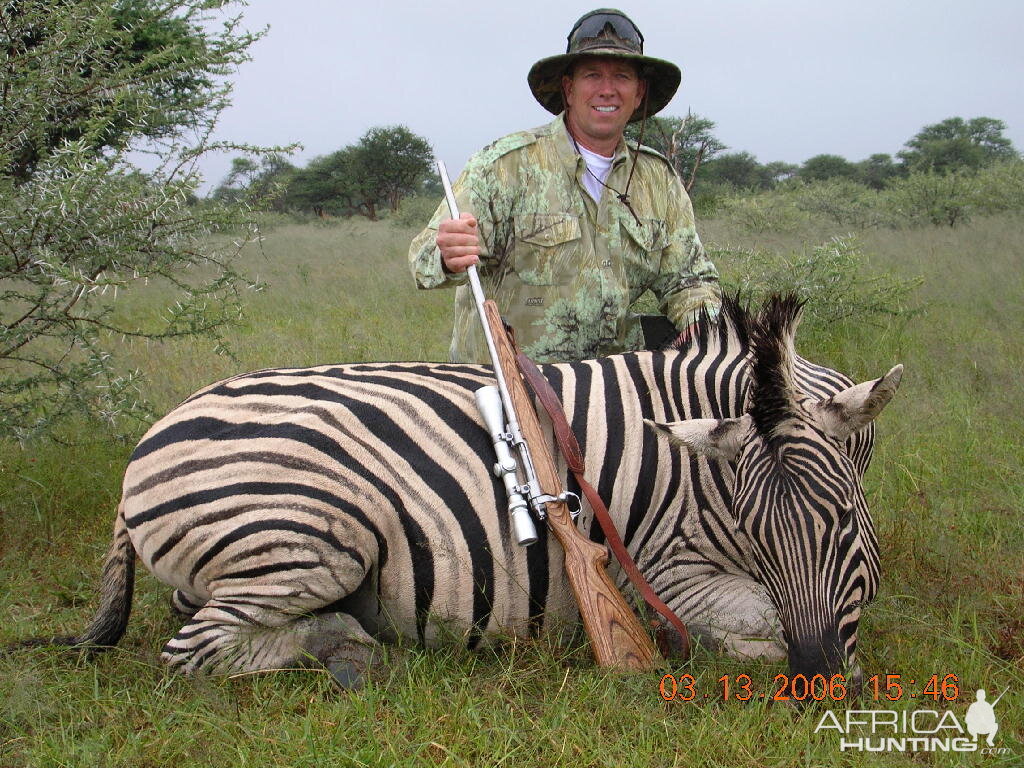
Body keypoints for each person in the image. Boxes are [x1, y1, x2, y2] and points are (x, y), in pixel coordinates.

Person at [409, 8, 721, 364]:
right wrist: (449, 256)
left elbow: (689, 282)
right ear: (569, 89)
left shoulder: (657, 178)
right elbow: (423, 263)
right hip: (506, 390)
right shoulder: (504, 166)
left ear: (639, 93)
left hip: (608, 388)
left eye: (622, 76)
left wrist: (711, 335)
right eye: (592, 75)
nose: (607, 90)